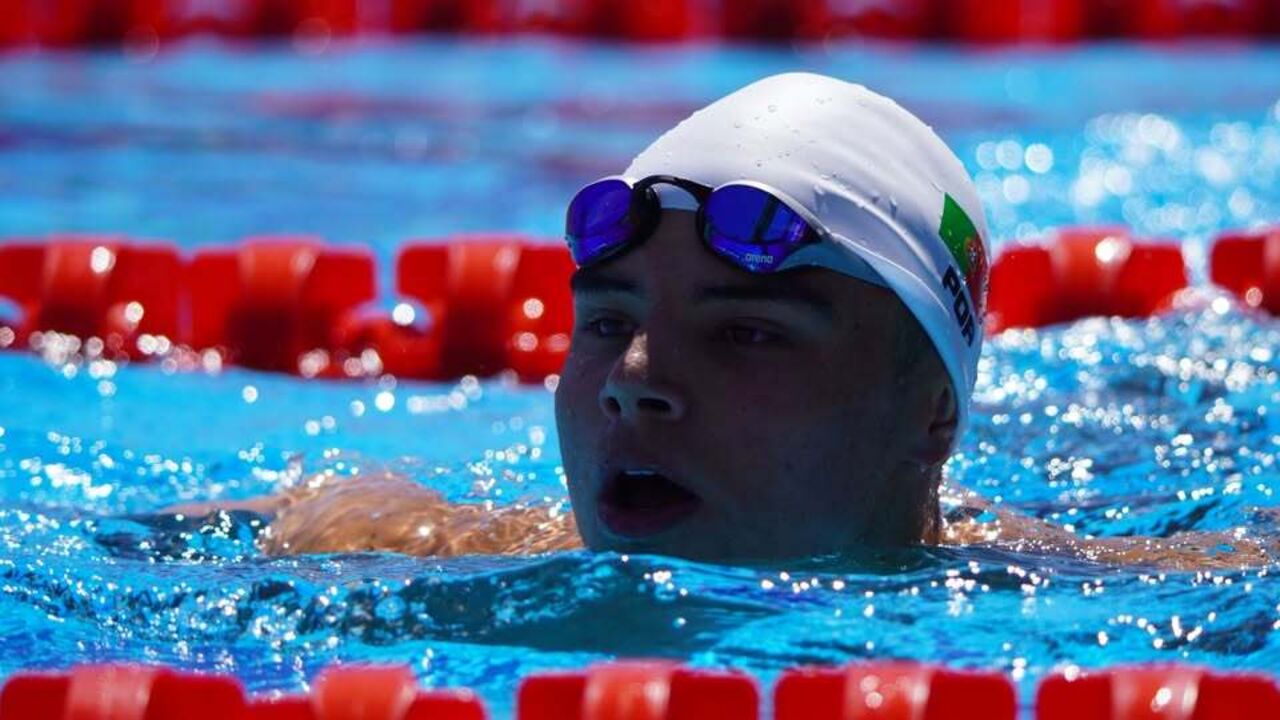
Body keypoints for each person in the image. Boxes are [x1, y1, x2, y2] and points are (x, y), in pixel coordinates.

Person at [170, 73, 1276, 569]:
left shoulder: (1098, 604)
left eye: (745, 332)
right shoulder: (416, 556)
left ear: (932, 414)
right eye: (604, 323)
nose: (630, 381)